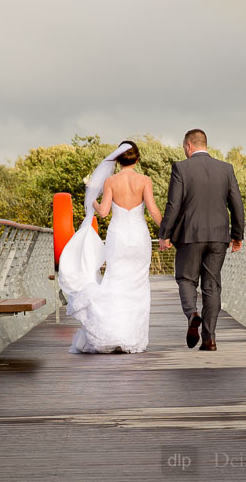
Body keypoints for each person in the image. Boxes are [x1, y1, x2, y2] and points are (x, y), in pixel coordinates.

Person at [58, 141, 162, 354]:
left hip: (118, 237)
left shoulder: (110, 181)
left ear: (117, 159)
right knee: (138, 284)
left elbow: (103, 212)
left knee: (115, 281)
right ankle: (132, 337)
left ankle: (111, 332)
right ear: (137, 159)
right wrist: (167, 232)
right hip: (139, 237)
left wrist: (92, 197)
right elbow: (152, 210)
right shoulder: (145, 180)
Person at [158, 128, 245, 351]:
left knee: (186, 279)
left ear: (189, 146)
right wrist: (237, 235)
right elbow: (236, 204)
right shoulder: (226, 169)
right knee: (212, 286)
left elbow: (173, 205)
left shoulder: (181, 168)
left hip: (190, 235)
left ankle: (191, 314)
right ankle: (209, 339)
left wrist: (165, 235)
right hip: (218, 236)